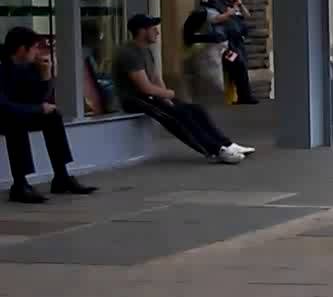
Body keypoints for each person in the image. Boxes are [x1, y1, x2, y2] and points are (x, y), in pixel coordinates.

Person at [113, 15, 251, 163]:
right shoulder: (129, 53)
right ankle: (216, 150)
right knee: (176, 116)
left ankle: (227, 144)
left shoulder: (145, 51)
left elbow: (155, 78)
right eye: (153, 29)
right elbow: (145, 88)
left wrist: (167, 98)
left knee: (195, 109)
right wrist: (167, 94)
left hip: (150, 96)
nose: (157, 33)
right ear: (142, 31)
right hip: (133, 99)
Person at [1, 28, 95, 203]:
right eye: (35, 47)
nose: (38, 52)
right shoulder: (2, 68)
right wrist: (37, 109)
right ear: (22, 49)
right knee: (14, 121)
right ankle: (20, 184)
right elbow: (4, 106)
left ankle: (61, 176)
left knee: (52, 116)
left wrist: (46, 76)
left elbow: (38, 99)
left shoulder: (27, 67)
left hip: (18, 113)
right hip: (5, 115)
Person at [211, 0, 257, 104]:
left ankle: (244, 95)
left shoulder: (235, 9)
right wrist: (229, 12)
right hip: (226, 48)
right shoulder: (219, 9)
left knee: (242, 66)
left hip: (238, 45)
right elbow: (215, 19)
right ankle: (244, 96)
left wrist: (240, 5)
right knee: (238, 64)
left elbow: (247, 16)